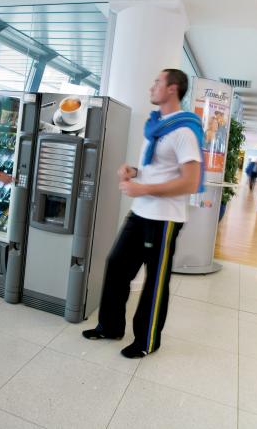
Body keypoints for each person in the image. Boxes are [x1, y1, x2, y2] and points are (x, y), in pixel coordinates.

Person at [82, 68, 202, 359]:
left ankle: (147, 340)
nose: (151, 87)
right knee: (117, 265)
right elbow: (158, 169)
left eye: (157, 82)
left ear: (172, 88)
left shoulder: (184, 131)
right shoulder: (155, 125)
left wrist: (143, 188)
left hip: (165, 218)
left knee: (155, 281)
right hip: (141, 211)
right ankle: (110, 327)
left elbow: (190, 182)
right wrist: (134, 171)